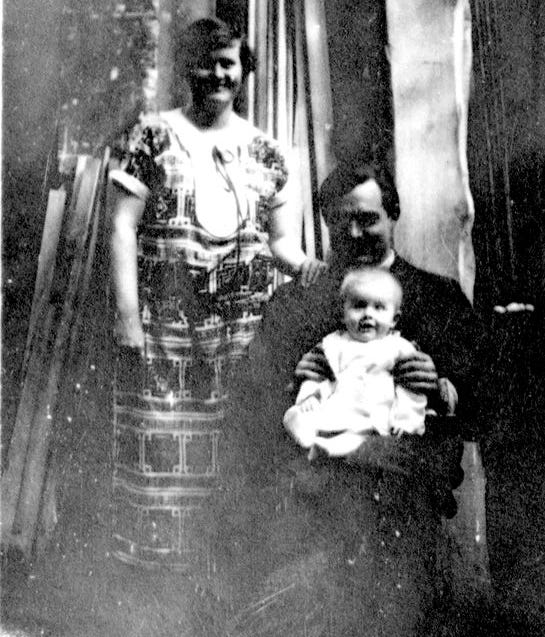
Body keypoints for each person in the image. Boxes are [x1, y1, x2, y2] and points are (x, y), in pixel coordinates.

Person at [226, 163, 485, 636]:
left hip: (408, 498)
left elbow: (482, 408)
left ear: (394, 215)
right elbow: (249, 403)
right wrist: (294, 385)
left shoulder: (438, 297)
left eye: (367, 218)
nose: (353, 233)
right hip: (317, 502)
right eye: (339, 220)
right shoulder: (296, 304)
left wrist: (442, 388)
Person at [108, 17, 324, 569]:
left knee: (229, 450)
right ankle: (156, 582)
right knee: (161, 444)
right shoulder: (152, 134)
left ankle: (217, 578)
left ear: (243, 70)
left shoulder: (269, 153)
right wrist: (129, 317)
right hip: (164, 330)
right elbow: (123, 226)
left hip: (238, 335)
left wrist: (313, 269)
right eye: (205, 61)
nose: (216, 73)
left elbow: (282, 243)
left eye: (227, 61)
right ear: (187, 68)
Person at [284, 267, 430, 458]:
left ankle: (323, 449)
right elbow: (318, 375)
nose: (368, 314)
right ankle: (303, 428)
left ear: (394, 319)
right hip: (340, 403)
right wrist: (310, 397)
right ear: (343, 314)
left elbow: (411, 389)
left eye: (378, 307)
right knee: (306, 415)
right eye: (359, 306)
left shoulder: (399, 348)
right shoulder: (334, 343)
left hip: (375, 412)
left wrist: (406, 421)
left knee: (356, 440)